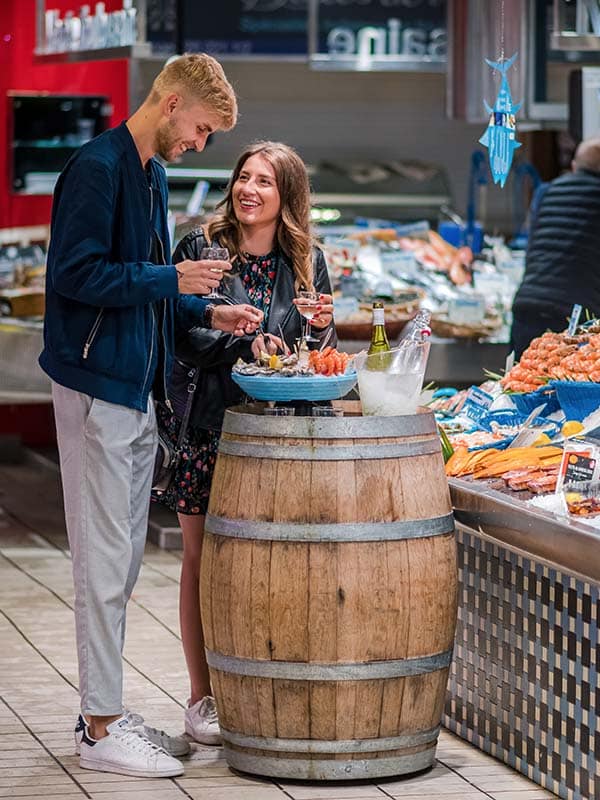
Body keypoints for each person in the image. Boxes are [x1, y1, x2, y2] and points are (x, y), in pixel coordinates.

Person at [39, 54, 263, 779]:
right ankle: (100, 728)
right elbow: (75, 274)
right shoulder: (96, 167)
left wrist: (203, 308)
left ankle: (104, 710)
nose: (200, 143)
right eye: (200, 129)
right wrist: (172, 276)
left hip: (136, 390)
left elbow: (148, 290)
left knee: (124, 559)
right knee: (103, 559)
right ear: (170, 104)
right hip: (96, 383)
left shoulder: (153, 176)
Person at [153, 141, 336, 744]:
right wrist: (239, 344)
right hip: (208, 424)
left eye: (264, 181)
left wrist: (321, 327)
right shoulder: (200, 248)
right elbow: (178, 334)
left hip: (280, 432)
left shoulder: (306, 260)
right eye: (243, 177)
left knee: (275, 563)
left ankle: (267, 688)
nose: (248, 190)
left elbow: (316, 347)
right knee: (201, 560)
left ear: (288, 196)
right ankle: (201, 696)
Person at [510, 137, 600, 358]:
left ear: (574, 166)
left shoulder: (546, 191)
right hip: (575, 314)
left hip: (528, 303)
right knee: (569, 377)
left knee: (521, 374)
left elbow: (532, 248)